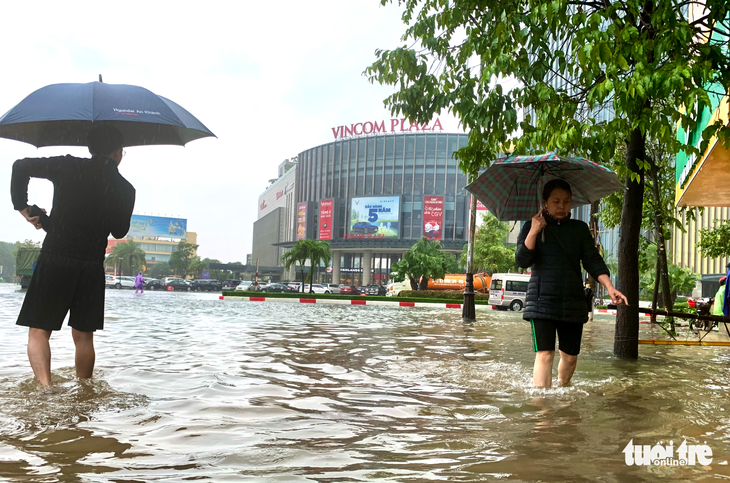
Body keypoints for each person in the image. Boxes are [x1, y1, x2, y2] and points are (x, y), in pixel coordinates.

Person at [11, 125, 136, 387]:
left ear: (91, 147)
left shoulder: (68, 166)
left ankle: (46, 390)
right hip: (91, 266)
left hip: (56, 257)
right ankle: (84, 391)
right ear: (117, 153)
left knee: (39, 331)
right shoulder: (125, 188)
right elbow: (119, 229)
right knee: (84, 337)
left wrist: (23, 207)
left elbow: (20, 166)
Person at [516, 179, 628, 389]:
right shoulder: (531, 226)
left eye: (566, 202)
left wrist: (610, 288)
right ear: (545, 202)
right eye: (556, 201)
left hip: (572, 302)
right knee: (545, 354)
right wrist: (533, 231)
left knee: (570, 357)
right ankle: (543, 411)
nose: (561, 206)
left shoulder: (579, 229)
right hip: (541, 301)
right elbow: (522, 260)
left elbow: (592, 261)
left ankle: (562, 390)